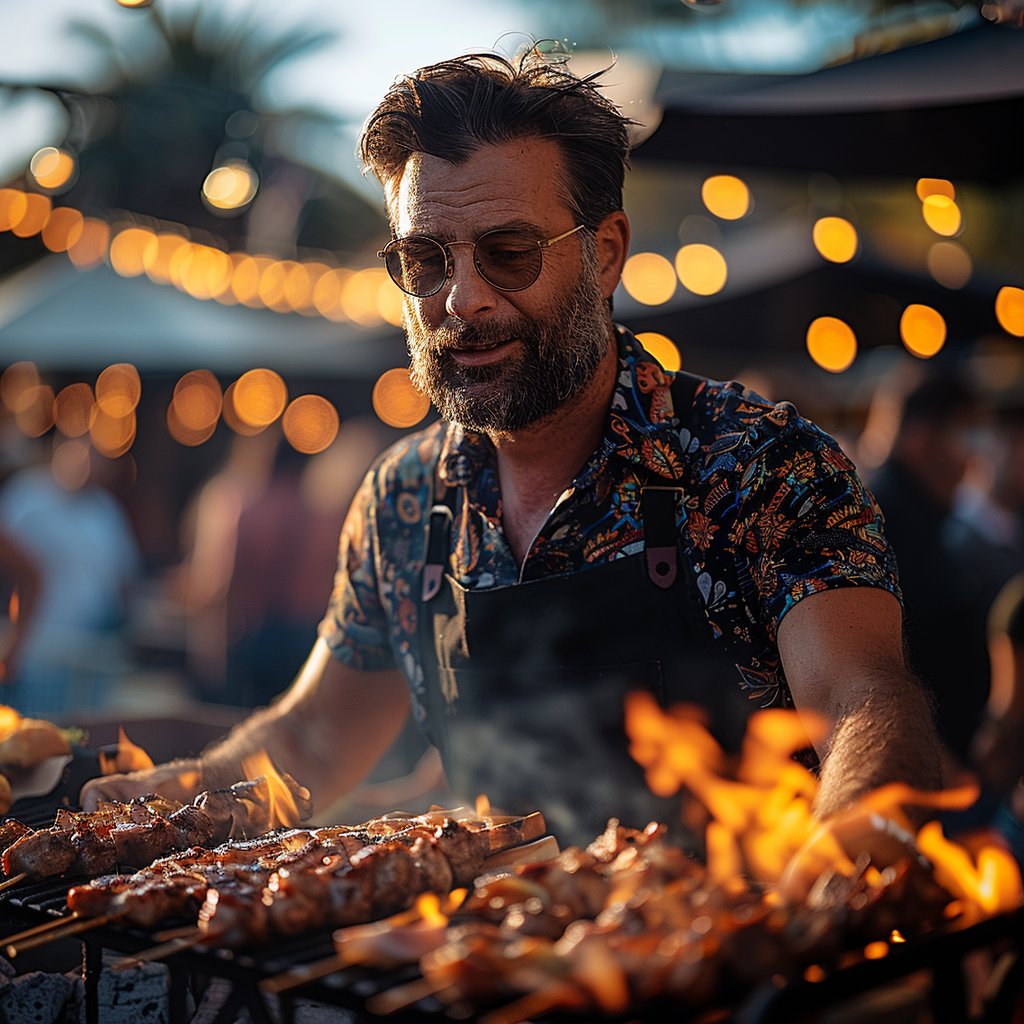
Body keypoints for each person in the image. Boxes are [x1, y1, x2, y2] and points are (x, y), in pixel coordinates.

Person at [83, 50, 941, 855]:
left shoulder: (761, 465)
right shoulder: (405, 501)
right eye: (425, 259)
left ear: (604, 256)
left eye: (508, 252)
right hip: (493, 962)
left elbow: (863, 701)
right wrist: (160, 804)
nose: (462, 299)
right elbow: (313, 738)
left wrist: (840, 863)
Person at [868, 374, 990, 769]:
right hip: (926, 775)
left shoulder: (918, 516)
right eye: (965, 436)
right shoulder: (886, 521)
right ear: (921, 438)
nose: (973, 458)